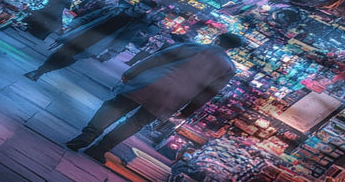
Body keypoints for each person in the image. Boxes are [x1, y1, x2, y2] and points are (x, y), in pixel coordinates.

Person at [67, 33, 243, 161]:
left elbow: (159, 58)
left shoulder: (193, 46)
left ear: (217, 38)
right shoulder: (228, 68)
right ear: (231, 49)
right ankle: (100, 150)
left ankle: (86, 137)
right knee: (136, 123)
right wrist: (187, 111)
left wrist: (133, 72)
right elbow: (208, 93)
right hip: (174, 98)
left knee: (114, 108)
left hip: (150, 82)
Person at [25, 0, 159, 81]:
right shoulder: (115, 9)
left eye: (144, 9)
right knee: (59, 53)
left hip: (98, 43)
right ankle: (39, 71)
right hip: (84, 34)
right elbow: (91, 17)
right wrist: (72, 25)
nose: (140, 10)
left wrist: (111, 53)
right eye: (140, 7)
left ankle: (42, 72)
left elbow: (124, 39)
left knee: (70, 59)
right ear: (137, 4)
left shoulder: (137, 23)